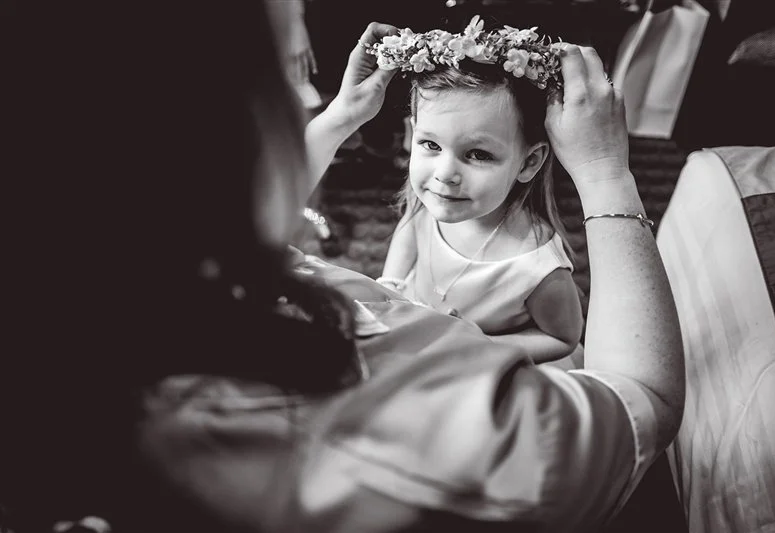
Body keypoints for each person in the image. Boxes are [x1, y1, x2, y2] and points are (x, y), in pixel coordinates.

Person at [1, 2, 684, 532]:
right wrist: (605, 175)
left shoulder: (104, 282)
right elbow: (644, 402)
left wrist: (336, 118)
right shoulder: (422, 432)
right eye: (291, 70)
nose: (304, 103)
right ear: (212, 122)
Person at [375, 17, 584, 364]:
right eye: (430, 144)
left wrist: (475, 346)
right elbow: (410, 229)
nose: (445, 175)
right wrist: (391, 287)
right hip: (418, 333)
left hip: (482, 360)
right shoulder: (435, 201)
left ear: (528, 163)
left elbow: (562, 338)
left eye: (477, 154)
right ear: (412, 134)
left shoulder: (535, 265)